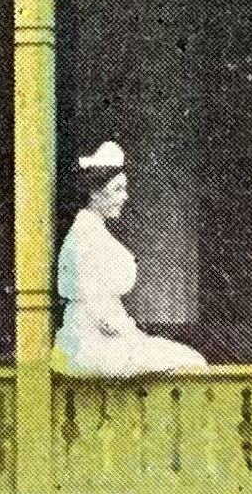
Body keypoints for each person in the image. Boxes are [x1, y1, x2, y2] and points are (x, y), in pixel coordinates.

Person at [51, 142, 207, 378]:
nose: (125, 196)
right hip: (93, 344)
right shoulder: (85, 235)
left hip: (98, 337)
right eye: (117, 189)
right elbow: (96, 306)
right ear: (95, 193)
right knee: (191, 362)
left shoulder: (91, 230)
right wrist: (128, 334)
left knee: (187, 359)